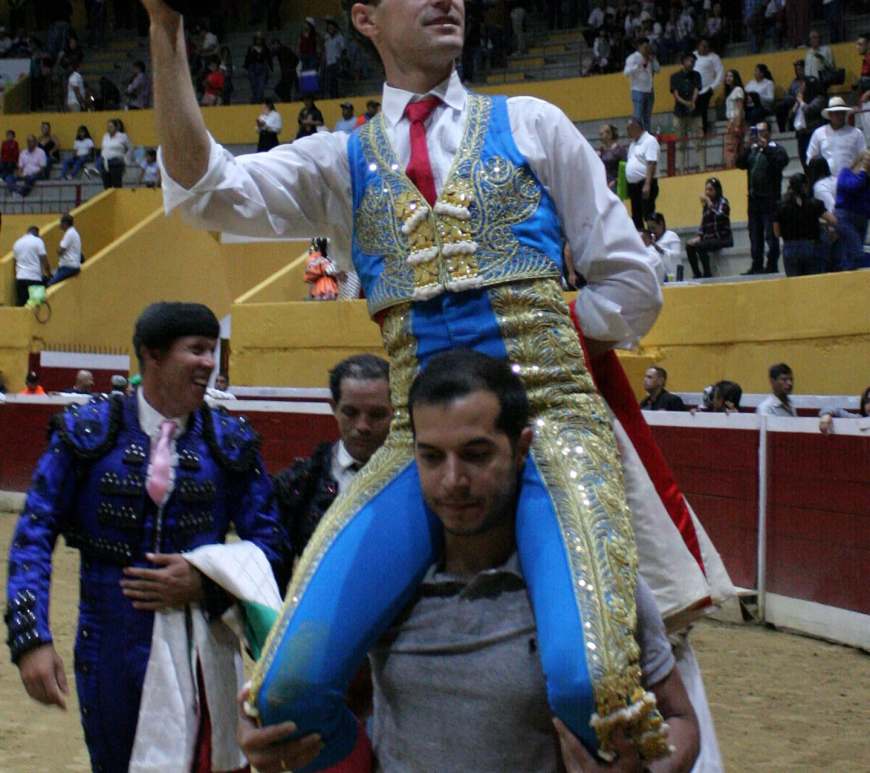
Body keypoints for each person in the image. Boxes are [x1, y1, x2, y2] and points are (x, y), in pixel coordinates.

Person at [146, 0, 668, 762]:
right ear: (365, 18)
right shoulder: (340, 160)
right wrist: (167, 29)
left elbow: (632, 283)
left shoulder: (535, 125)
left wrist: (548, 331)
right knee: (286, 691)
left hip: (549, 422)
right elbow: (203, 189)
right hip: (416, 444)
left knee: (594, 681)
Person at [239, 350, 702, 773]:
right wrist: (271, 728)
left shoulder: (588, 580)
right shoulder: (381, 584)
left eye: (476, 455)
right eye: (431, 457)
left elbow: (680, 718)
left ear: (521, 449)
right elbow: (336, 696)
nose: (452, 480)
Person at [4, 301, 288, 772]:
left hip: (205, 642)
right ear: (152, 355)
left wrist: (206, 582)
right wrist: (31, 638)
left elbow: (273, 545)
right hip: (111, 641)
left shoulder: (230, 440)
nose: (208, 363)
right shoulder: (87, 431)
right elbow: (32, 535)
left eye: (212, 350)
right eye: (196, 350)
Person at [274, 354, 391, 564]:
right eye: (350, 413)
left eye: (377, 415)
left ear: (395, 412)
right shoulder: (299, 483)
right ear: (334, 408)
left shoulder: (416, 478)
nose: (363, 426)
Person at [736, 122, 789, 274]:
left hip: (770, 199)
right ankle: (756, 264)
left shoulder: (776, 149)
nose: (759, 134)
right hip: (754, 200)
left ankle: (772, 264)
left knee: (771, 235)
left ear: (769, 132)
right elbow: (739, 163)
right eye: (756, 131)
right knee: (754, 234)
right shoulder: (752, 150)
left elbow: (781, 162)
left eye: (762, 131)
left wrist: (766, 148)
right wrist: (747, 146)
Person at [773, 173, 837, 277]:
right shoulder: (815, 203)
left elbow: (777, 233)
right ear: (806, 186)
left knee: (795, 283)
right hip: (811, 246)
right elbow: (833, 220)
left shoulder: (780, 206)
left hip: (790, 247)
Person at [805, 97, 866, 178]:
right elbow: (811, 159)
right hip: (826, 180)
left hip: (850, 179)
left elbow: (863, 158)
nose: (840, 116)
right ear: (830, 115)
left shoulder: (856, 133)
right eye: (836, 113)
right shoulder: (818, 133)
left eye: (842, 113)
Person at [832, 150, 870, 271]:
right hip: (845, 217)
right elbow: (853, 186)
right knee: (857, 251)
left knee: (850, 254)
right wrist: (863, 171)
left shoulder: (867, 179)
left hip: (862, 218)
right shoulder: (846, 173)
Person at [626, 116, 660, 229]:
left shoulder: (650, 141)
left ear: (636, 127)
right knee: (636, 216)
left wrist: (647, 184)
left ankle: (652, 235)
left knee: (648, 214)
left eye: (628, 129)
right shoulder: (633, 144)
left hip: (644, 183)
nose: (627, 132)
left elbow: (651, 163)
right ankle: (640, 236)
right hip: (634, 186)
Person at [670, 52, 702, 173]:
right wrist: (687, 103)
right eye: (690, 61)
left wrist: (693, 102)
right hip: (679, 113)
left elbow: (697, 90)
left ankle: (702, 168)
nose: (692, 63)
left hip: (695, 113)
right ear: (683, 62)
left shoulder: (697, 75)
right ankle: (681, 170)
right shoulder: (675, 77)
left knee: (698, 142)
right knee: (680, 144)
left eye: (693, 61)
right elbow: (676, 95)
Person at [623, 36, 659, 132]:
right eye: (645, 47)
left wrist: (653, 59)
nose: (647, 49)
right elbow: (626, 73)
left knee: (647, 117)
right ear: (639, 47)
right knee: (638, 116)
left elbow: (658, 69)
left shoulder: (650, 57)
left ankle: (647, 135)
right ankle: (637, 135)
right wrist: (638, 66)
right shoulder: (632, 58)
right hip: (638, 90)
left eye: (648, 47)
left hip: (649, 90)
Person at [692, 37, 723, 137]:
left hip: (706, 89)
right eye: (703, 46)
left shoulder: (714, 57)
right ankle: (695, 132)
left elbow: (720, 73)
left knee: (703, 110)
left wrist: (713, 87)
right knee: (693, 110)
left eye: (706, 46)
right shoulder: (693, 55)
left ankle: (703, 132)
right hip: (693, 89)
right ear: (698, 46)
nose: (705, 48)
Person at [13, 226, 49, 306]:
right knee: (37, 305)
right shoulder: (38, 241)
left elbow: (14, 262)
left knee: (23, 304)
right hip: (35, 278)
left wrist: (16, 276)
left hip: (21, 279)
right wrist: (49, 274)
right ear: (37, 233)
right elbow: (44, 260)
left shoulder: (17, 242)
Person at [47, 213, 83, 286]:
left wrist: (58, 250)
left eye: (61, 222)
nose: (60, 225)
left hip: (69, 266)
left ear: (65, 223)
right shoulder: (74, 233)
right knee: (49, 277)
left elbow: (60, 251)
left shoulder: (69, 234)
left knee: (50, 284)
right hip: (70, 265)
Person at [645, 212, 682, 280]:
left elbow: (676, 254)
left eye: (653, 228)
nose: (651, 231)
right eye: (649, 228)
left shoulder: (671, 235)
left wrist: (659, 248)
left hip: (671, 274)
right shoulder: (650, 239)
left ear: (661, 224)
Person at [99, 118, 131, 189]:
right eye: (108, 126)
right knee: (106, 186)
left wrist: (126, 161)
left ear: (116, 127)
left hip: (116, 163)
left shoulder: (122, 136)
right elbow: (103, 148)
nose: (109, 128)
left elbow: (129, 148)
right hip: (105, 162)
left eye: (111, 126)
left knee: (116, 185)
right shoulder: (105, 136)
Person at [723, 69, 745, 169]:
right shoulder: (730, 91)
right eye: (727, 76)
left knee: (731, 147)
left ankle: (731, 167)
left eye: (731, 76)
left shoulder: (738, 90)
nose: (728, 78)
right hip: (732, 121)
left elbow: (739, 108)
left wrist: (736, 125)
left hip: (734, 121)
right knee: (736, 147)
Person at [596, 123, 626, 192]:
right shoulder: (601, 150)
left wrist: (616, 181)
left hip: (614, 186)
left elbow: (624, 168)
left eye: (602, 134)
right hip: (603, 185)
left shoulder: (619, 150)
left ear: (609, 135)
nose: (600, 137)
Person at [244, 33, 272, 105]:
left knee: (261, 87)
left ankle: (258, 101)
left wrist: (270, 68)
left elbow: (269, 58)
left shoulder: (265, 48)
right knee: (254, 86)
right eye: (257, 39)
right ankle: (256, 101)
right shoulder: (251, 47)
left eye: (260, 39)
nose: (259, 40)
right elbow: (248, 58)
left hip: (262, 68)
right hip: (252, 68)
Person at [324, 20, 345, 99]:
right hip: (328, 62)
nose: (331, 29)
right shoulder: (326, 37)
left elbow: (343, 50)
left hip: (336, 61)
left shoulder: (339, 37)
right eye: (329, 28)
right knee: (329, 81)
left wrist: (341, 62)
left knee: (335, 81)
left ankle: (336, 96)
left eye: (332, 28)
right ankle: (331, 96)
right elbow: (325, 49)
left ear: (335, 28)